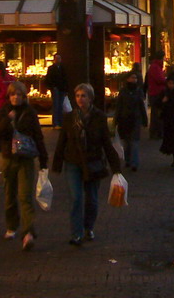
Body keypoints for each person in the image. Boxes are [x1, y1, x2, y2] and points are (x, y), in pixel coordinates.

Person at [52, 83, 121, 246]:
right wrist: (57, 163)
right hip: (73, 161)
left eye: (83, 96)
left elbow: (106, 142)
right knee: (76, 198)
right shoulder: (70, 118)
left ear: (90, 98)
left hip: (93, 161)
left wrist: (116, 168)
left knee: (92, 199)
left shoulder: (99, 117)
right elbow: (62, 140)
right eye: (77, 96)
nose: (80, 99)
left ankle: (88, 226)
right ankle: (76, 232)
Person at [0, 81, 47, 251]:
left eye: (19, 94)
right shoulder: (4, 112)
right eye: (13, 94)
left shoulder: (30, 113)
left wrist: (43, 160)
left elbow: (38, 135)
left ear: (24, 96)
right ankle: (11, 226)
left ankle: (28, 232)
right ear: (9, 96)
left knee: (25, 196)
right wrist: (7, 120)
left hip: (26, 159)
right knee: (9, 195)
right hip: (9, 158)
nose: (16, 97)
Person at [114, 70, 147, 170]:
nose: (134, 80)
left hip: (135, 119)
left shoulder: (138, 91)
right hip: (124, 119)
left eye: (135, 78)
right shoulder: (123, 91)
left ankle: (134, 163)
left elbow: (142, 106)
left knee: (134, 142)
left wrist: (144, 119)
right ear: (127, 79)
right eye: (132, 77)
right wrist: (116, 119)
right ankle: (128, 160)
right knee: (127, 142)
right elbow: (119, 106)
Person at [43, 53, 68, 128]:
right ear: (54, 60)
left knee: (60, 106)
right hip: (56, 89)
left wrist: (66, 89)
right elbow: (48, 79)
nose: (58, 60)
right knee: (56, 105)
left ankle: (60, 122)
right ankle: (56, 123)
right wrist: (52, 87)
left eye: (59, 58)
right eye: (57, 58)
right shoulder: (51, 68)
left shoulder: (63, 68)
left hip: (62, 89)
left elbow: (65, 79)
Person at [145, 53, 167, 140]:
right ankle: (156, 132)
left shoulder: (155, 67)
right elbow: (159, 79)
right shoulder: (155, 67)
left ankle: (157, 132)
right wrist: (166, 80)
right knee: (156, 113)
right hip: (156, 93)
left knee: (156, 113)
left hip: (156, 92)